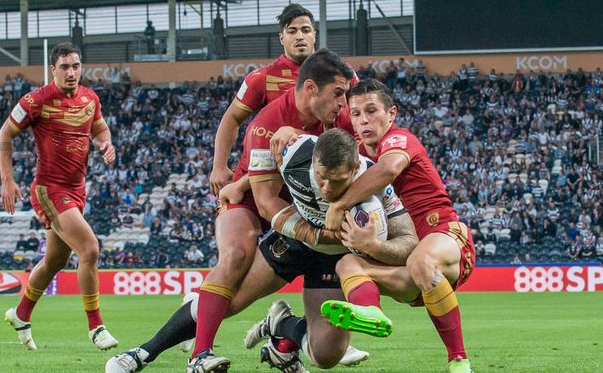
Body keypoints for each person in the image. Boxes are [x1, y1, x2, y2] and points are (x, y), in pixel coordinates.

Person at [106, 49, 365, 373]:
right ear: (311, 88)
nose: (344, 103)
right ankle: (149, 353)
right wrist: (312, 231)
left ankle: (281, 326)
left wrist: (297, 141)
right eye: (339, 94)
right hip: (288, 220)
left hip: (319, 229)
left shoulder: (343, 120)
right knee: (234, 273)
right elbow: (267, 201)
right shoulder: (266, 124)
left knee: (326, 356)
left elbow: (364, 166)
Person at [107, 129, 415, 373]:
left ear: (355, 170)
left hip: (336, 259)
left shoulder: (377, 186)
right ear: (313, 163)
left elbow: (408, 244)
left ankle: (280, 325)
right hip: (295, 240)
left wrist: (375, 246)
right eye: (321, 178)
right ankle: (142, 353)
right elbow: (266, 171)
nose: (326, 189)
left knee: (325, 356)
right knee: (226, 304)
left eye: (337, 182)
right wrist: (241, 184)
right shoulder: (296, 153)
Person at [319, 79, 475, 373]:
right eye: (356, 114)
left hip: (445, 239)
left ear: (391, 114)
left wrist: (339, 205)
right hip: (408, 265)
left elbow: (388, 169)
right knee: (347, 265)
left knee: (421, 258)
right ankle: (371, 310)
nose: (364, 120)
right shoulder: (357, 159)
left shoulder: (399, 139)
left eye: (371, 111)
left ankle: (459, 360)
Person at [0, 42, 119, 351]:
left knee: (54, 261)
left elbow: (100, 131)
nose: (71, 72)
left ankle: (21, 314)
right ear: (53, 70)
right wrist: (7, 180)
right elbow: (4, 136)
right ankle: (96, 327)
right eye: (64, 67)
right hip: (49, 189)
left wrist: (106, 144)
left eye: (76, 66)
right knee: (90, 249)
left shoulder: (90, 98)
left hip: (77, 190)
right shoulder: (35, 100)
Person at [209, 3, 316, 196]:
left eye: (305, 30)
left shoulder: (339, 75)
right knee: (232, 224)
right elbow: (232, 118)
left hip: (318, 171)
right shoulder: (262, 77)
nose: (300, 36)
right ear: (281, 38)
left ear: (314, 34)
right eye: (292, 31)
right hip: (266, 175)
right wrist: (219, 165)